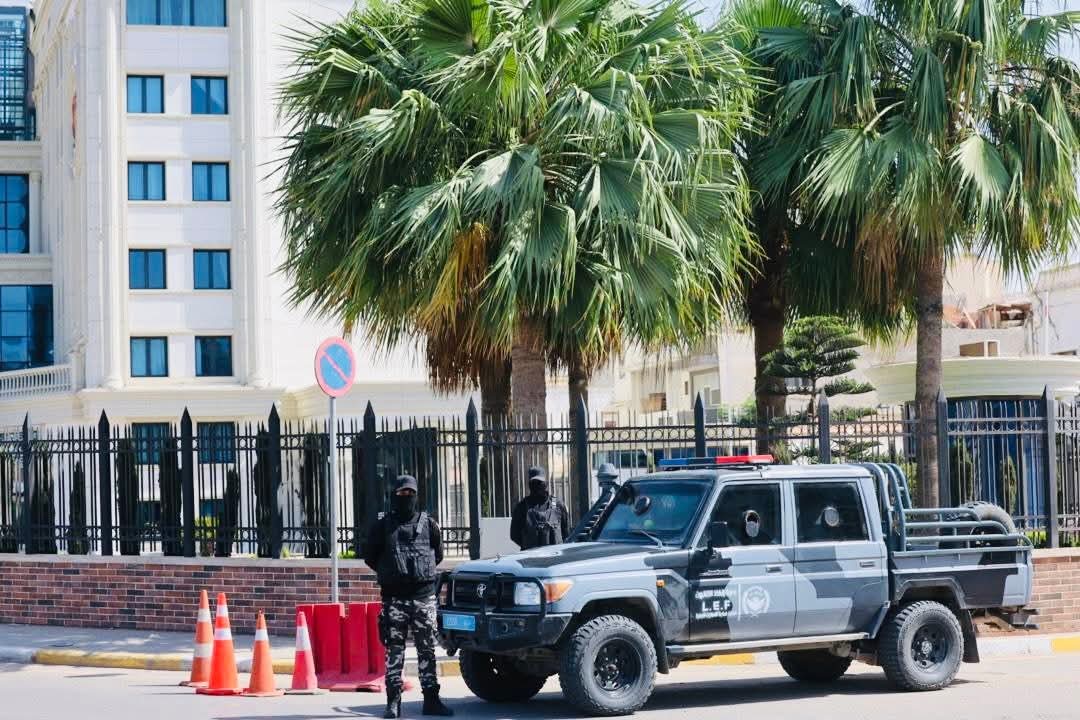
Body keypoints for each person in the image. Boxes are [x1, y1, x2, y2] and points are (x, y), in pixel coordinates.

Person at [364, 475, 453, 718]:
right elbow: (370, 557)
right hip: (395, 600)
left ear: (416, 495)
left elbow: (437, 555)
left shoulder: (429, 524)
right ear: (394, 495)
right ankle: (393, 703)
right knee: (394, 651)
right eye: (402, 493)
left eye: (410, 493)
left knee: (427, 650)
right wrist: (392, 573)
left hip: (424, 597)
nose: (406, 498)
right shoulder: (382, 526)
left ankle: (431, 700)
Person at [510, 466, 570, 550]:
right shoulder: (522, 507)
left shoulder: (556, 504)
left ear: (545, 483)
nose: (536, 485)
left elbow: (566, 532)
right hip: (531, 556)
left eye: (539, 482)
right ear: (529, 484)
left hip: (555, 556)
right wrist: (528, 544)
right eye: (533, 482)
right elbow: (514, 535)